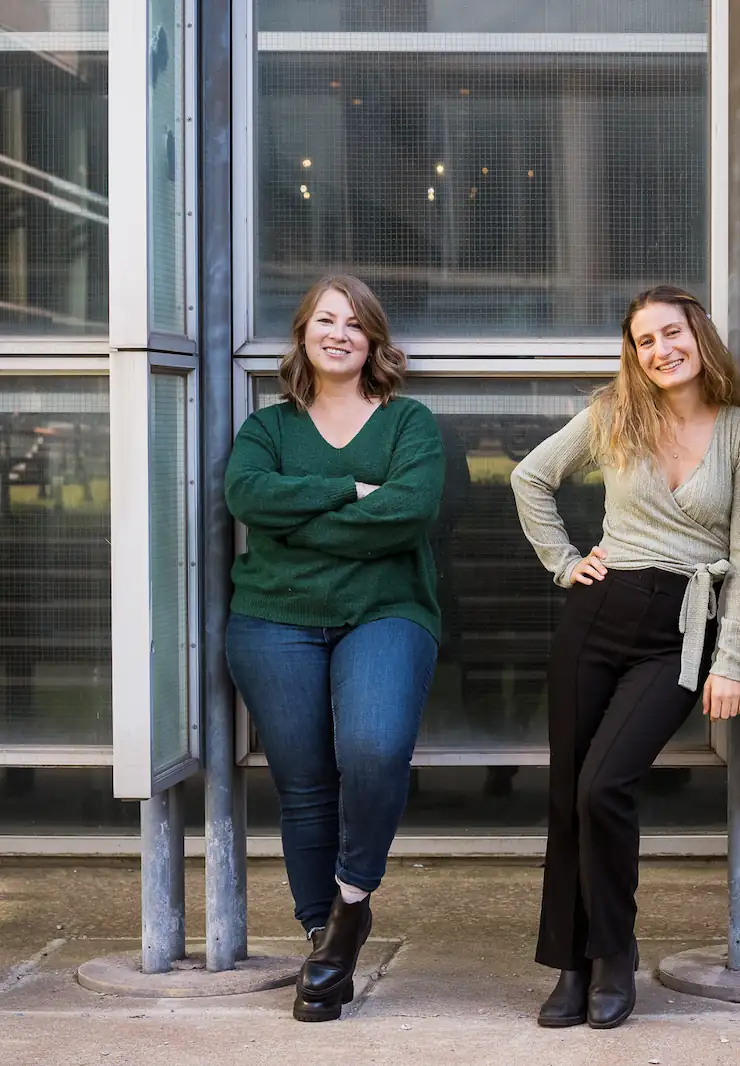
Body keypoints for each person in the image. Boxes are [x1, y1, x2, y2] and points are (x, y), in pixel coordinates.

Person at [512, 285, 740, 1030]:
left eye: (671, 333)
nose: (660, 350)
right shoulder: (616, 416)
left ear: (698, 337)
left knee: (603, 787)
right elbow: (530, 476)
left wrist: (732, 659)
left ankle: (614, 953)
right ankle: (572, 967)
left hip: (680, 633)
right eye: (645, 341)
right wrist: (562, 560)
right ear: (634, 354)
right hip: (598, 615)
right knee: (567, 796)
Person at [224, 274, 444, 1022]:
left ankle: (353, 902)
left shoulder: (408, 421)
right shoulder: (268, 429)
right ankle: (325, 942)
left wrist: (300, 520)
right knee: (305, 782)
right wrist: (352, 492)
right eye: (326, 320)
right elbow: (247, 497)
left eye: (356, 323)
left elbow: (408, 511)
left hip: (387, 611)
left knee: (375, 749)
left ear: (374, 341)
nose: (340, 333)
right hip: (272, 619)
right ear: (303, 334)